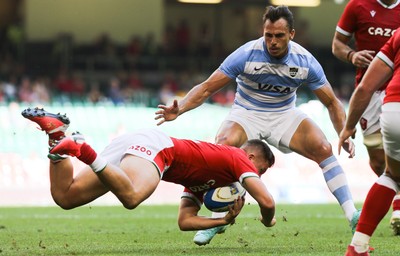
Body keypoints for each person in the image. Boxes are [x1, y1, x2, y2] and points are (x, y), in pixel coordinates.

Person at [155, 5, 359, 246]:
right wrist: (181, 108)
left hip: (284, 114)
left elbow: (333, 103)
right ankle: (216, 221)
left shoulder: (305, 62)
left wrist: (344, 133)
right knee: (222, 146)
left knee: (323, 147)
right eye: (268, 35)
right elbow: (208, 87)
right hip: (247, 113)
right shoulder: (246, 54)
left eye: (279, 36)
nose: (272, 41)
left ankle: (352, 215)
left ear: (291, 34)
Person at [21, 107, 277, 234]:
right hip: (157, 148)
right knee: (132, 197)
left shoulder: (205, 180)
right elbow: (266, 201)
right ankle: (83, 149)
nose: (258, 176)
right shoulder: (237, 156)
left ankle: (56, 133)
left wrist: (223, 221)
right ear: (251, 156)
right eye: (261, 170)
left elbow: (184, 221)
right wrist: (268, 220)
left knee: (66, 197)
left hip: (140, 146)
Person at [332, 0, 400, 234]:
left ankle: (398, 206)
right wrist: (351, 55)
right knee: (379, 160)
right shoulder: (357, 6)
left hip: (396, 89)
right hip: (369, 90)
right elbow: (337, 44)